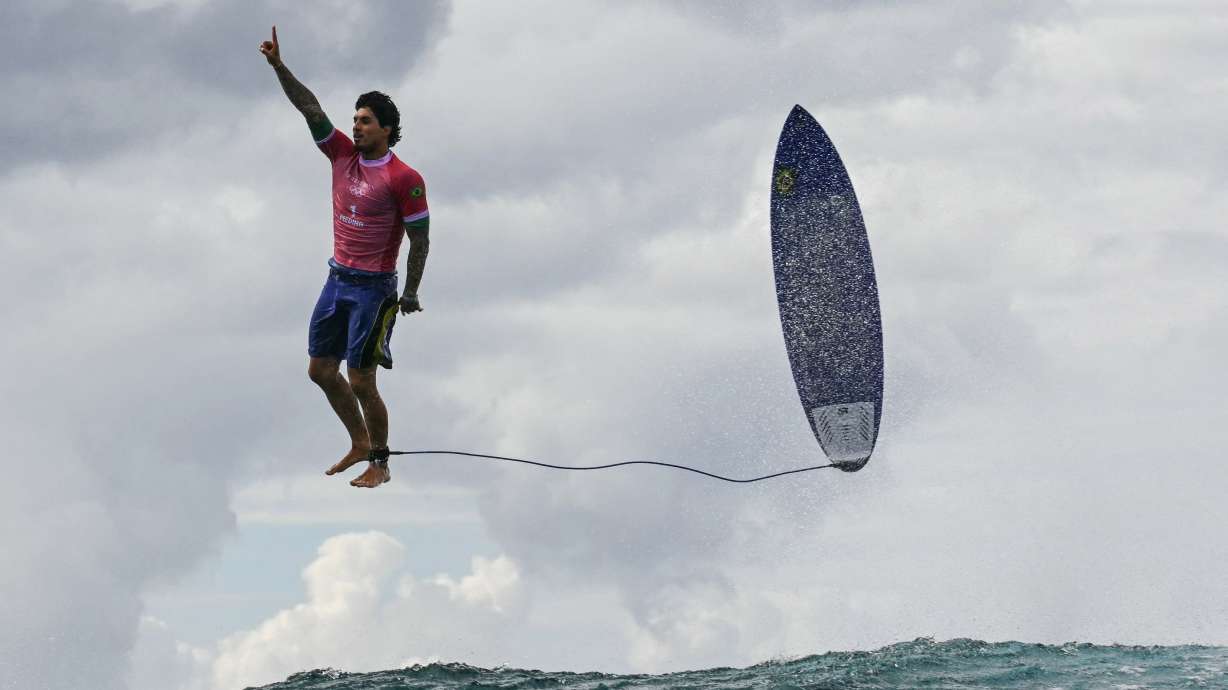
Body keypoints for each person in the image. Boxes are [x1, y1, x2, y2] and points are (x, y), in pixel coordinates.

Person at [260, 26, 430, 488]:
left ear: (387, 130)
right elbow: (309, 107)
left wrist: (411, 291)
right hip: (337, 279)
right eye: (355, 119)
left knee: (361, 379)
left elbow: (420, 239)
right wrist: (278, 66)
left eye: (365, 121)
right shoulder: (341, 155)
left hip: (374, 289)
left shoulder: (404, 177)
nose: (356, 126)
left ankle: (380, 461)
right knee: (319, 370)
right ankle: (358, 441)